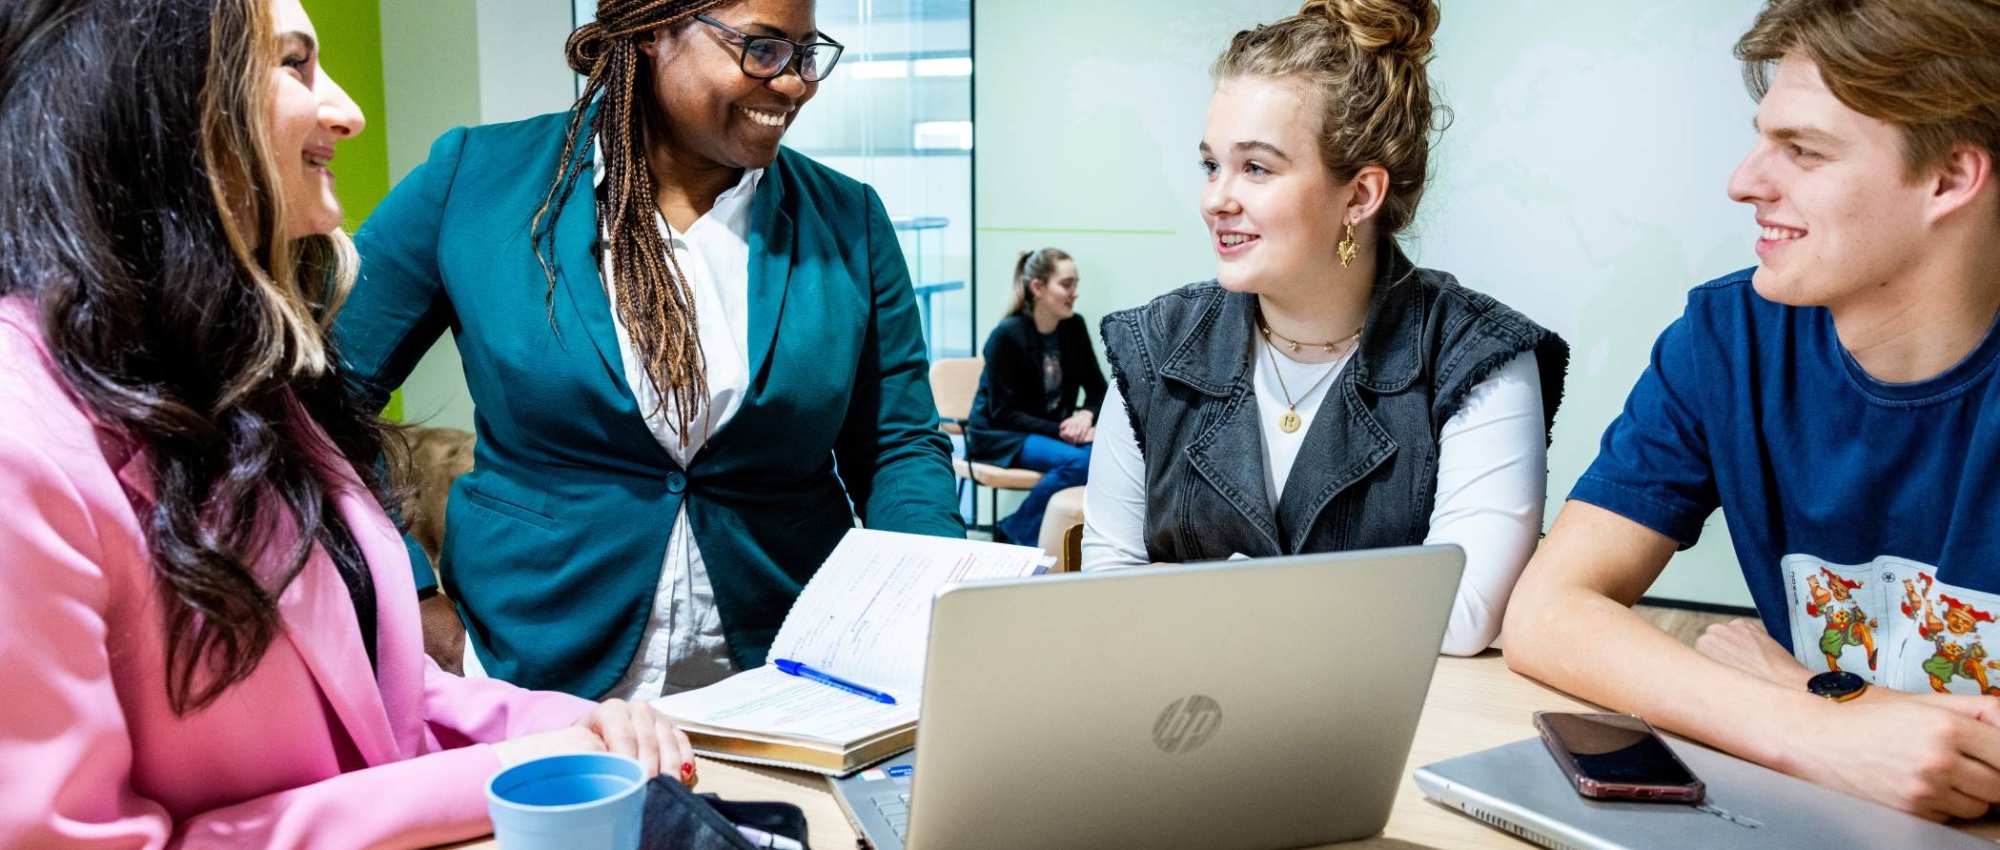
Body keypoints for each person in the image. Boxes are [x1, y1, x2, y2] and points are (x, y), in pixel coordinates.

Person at [0, 1, 692, 847]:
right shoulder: (19, 445)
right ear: (158, 95)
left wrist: (572, 728)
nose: (349, 111)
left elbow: (383, 698)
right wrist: (497, 776)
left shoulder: (246, 376)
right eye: (295, 65)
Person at [335, 0, 964, 701]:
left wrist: (933, 605)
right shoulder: (477, 182)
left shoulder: (847, 219)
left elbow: (898, 443)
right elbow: (312, 401)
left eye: (806, 53)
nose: (793, 84)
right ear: (653, 33)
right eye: (762, 49)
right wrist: (410, 598)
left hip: (784, 671)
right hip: (533, 666)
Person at [1503, 0, 2000, 822]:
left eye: (1803, 151)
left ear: (1949, 179)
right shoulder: (1726, 341)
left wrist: (1793, 675)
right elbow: (1547, 614)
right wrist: (1814, 725)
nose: (1744, 183)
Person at [1080, 0, 1568, 657]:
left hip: (1397, 737)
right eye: (1211, 165)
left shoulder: (1475, 354)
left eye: (1256, 167)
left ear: (1360, 196)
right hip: (1182, 723)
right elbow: (1106, 594)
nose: (1217, 198)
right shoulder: (1154, 348)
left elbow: (1462, 613)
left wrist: (1202, 591)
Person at [966, 247, 1107, 544]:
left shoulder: (1074, 328)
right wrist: (1064, 430)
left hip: (1047, 430)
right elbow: (1002, 413)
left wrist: (1084, 415)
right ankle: (1021, 534)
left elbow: (1097, 387)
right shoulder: (1005, 336)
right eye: (1067, 284)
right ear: (1038, 288)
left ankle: (1014, 529)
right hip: (1000, 435)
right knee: (1081, 462)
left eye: (1076, 284)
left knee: (1099, 457)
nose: (1075, 293)